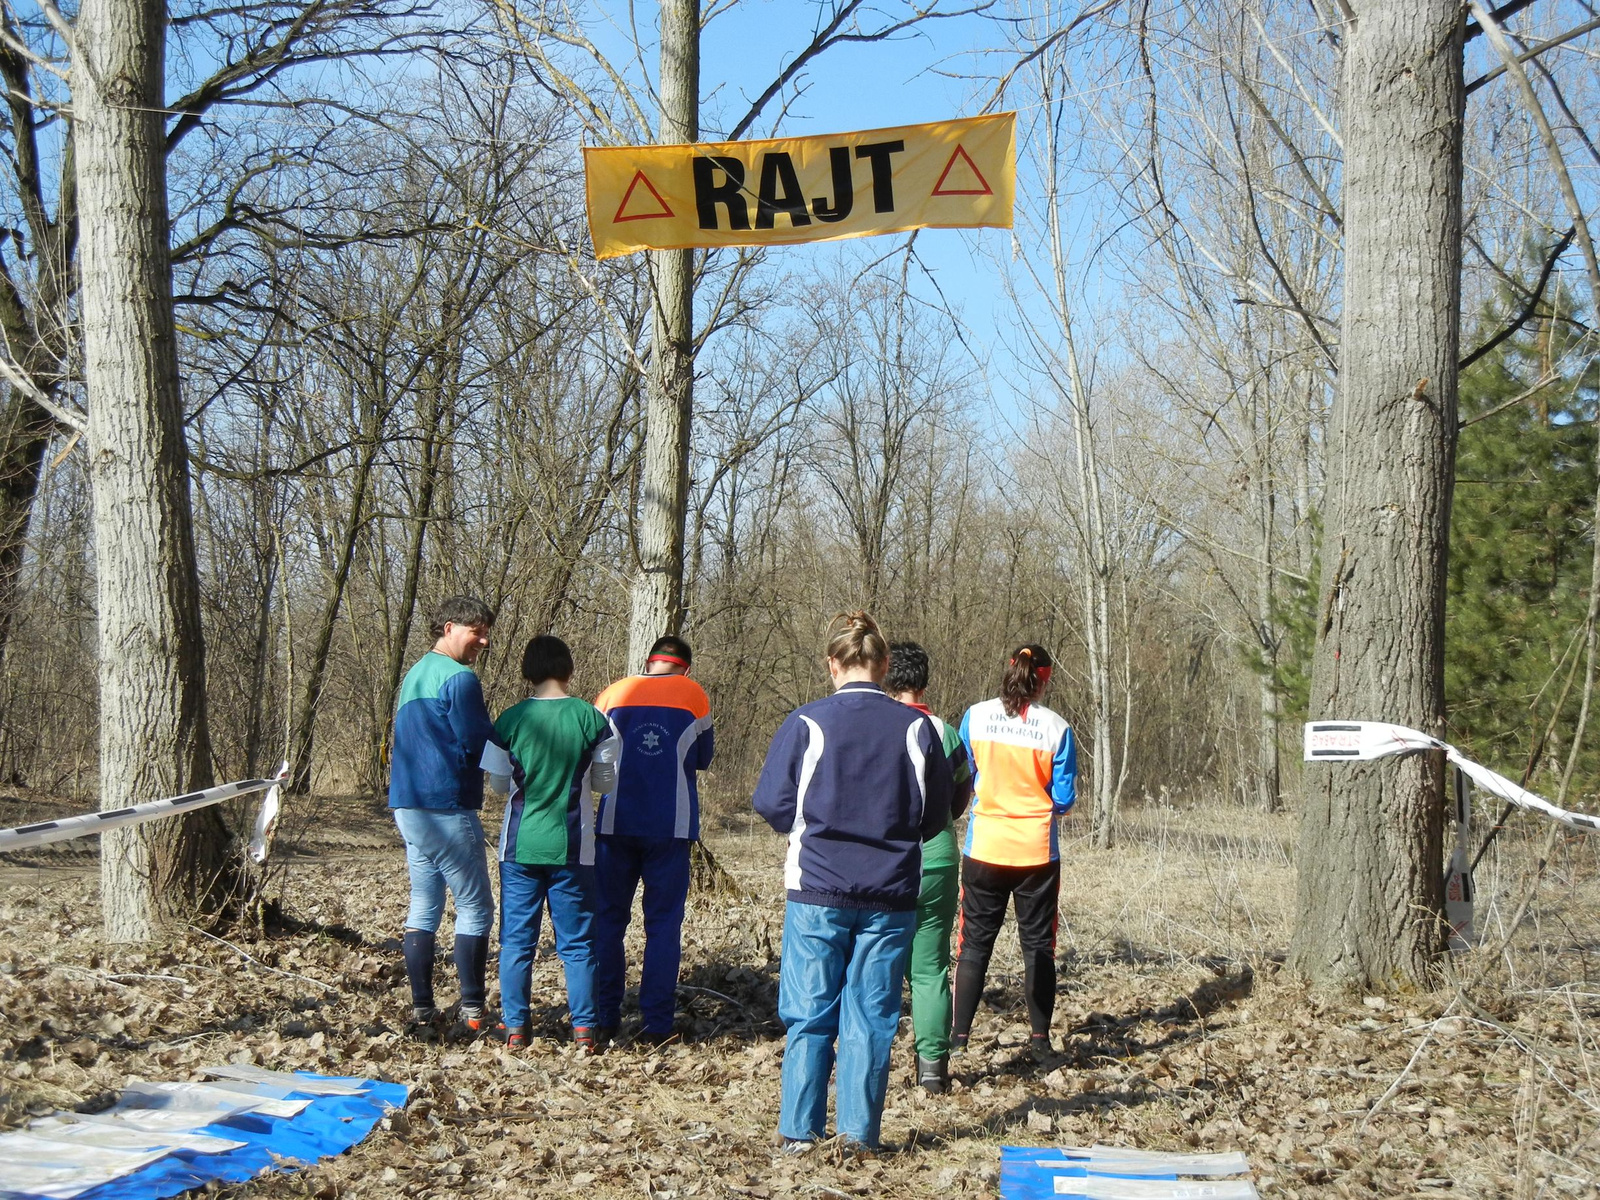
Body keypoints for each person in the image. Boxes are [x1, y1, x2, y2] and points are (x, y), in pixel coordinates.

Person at [753, 611, 953, 1153]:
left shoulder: (807, 722)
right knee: (872, 1016)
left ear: (832, 665)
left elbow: (771, 803)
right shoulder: (917, 728)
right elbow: (935, 815)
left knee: (810, 1014)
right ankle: (859, 1137)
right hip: (891, 895)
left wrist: (810, 825)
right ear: (885, 666)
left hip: (817, 888)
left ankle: (799, 1133)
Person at [483, 635, 619, 1052]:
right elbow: (604, 782)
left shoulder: (509, 719)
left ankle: (516, 1031)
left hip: (519, 846)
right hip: (574, 848)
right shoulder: (592, 718)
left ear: (528, 669)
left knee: (517, 942)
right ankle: (584, 1032)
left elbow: (497, 784)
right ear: (568, 667)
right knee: (578, 943)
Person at [952, 644, 1076, 1061]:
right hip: (1036, 852)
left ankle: (959, 1039)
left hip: (984, 845)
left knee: (973, 945)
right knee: (1038, 946)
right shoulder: (1057, 728)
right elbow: (1064, 797)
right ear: (1045, 680)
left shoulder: (976, 716)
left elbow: (964, 776)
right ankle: (1040, 1041)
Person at [592, 635, 715, 1046]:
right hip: (671, 825)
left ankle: (603, 1017)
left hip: (614, 822)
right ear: (686, 667)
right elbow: (703, 757)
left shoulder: (613, 692)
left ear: (648, 661)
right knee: (663, 926)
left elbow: (596, 758)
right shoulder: (693, 694)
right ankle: (657, 1025)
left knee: (608, 922)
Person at [388, 595, 497, 1033]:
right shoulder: (459, 679)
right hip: (445, 807)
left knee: (425, 904)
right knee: (476, 907)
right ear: (449, 627)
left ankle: (422, 1010)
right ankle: (472, 1011)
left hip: (408, 806)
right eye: (477, 631)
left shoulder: (414, 673)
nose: (484, 641)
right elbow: (478, 741)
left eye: (486, 631)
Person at [883, 641, 973, 1094]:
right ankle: (933, 1070)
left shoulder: (879, 725)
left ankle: (871, 1062)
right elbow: (961, 794)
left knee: (879, 961)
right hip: (937, 858)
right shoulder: (948, 732)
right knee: (930, 967)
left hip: (888, 861)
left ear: (886, 676)